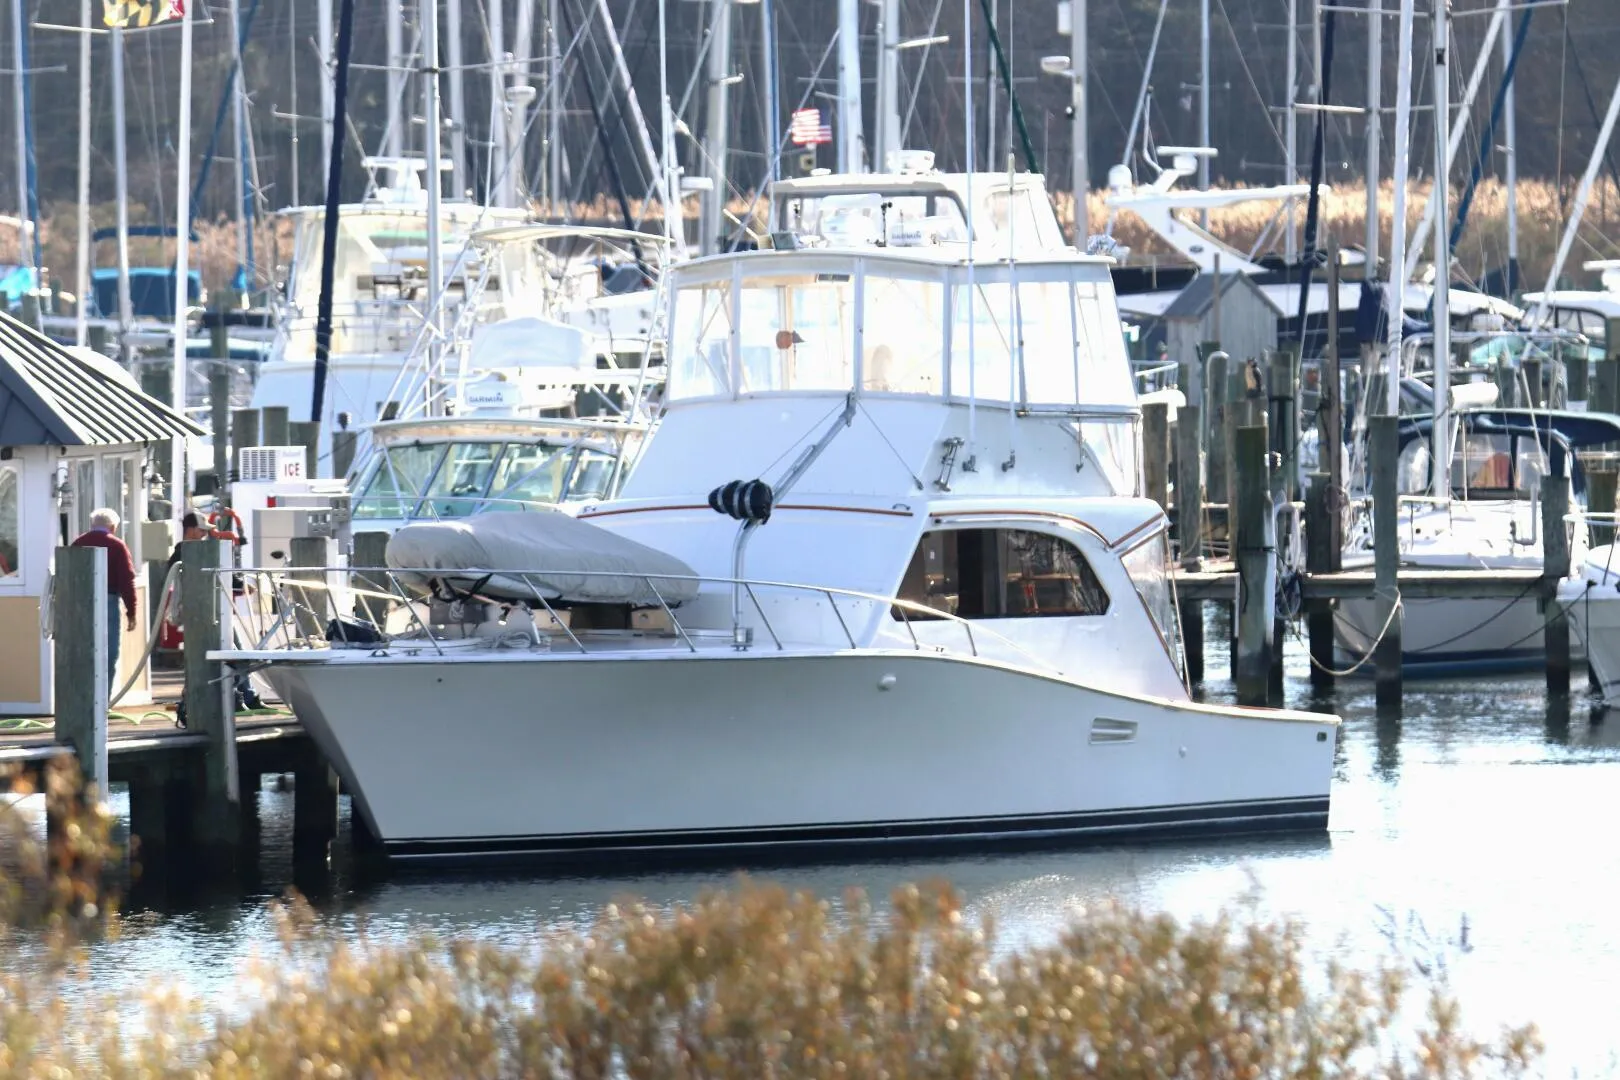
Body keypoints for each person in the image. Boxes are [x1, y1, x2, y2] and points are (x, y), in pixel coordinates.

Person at [71, 508, 137, 689]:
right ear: (113, 526)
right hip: (108, 600)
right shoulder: (117, 546)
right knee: (108, 654)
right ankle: (102, 703)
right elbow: (127, 581)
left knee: (83, 653)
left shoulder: (78, 543)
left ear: (92, 525)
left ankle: (82, 699)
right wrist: (132, 612)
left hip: (81, 603)